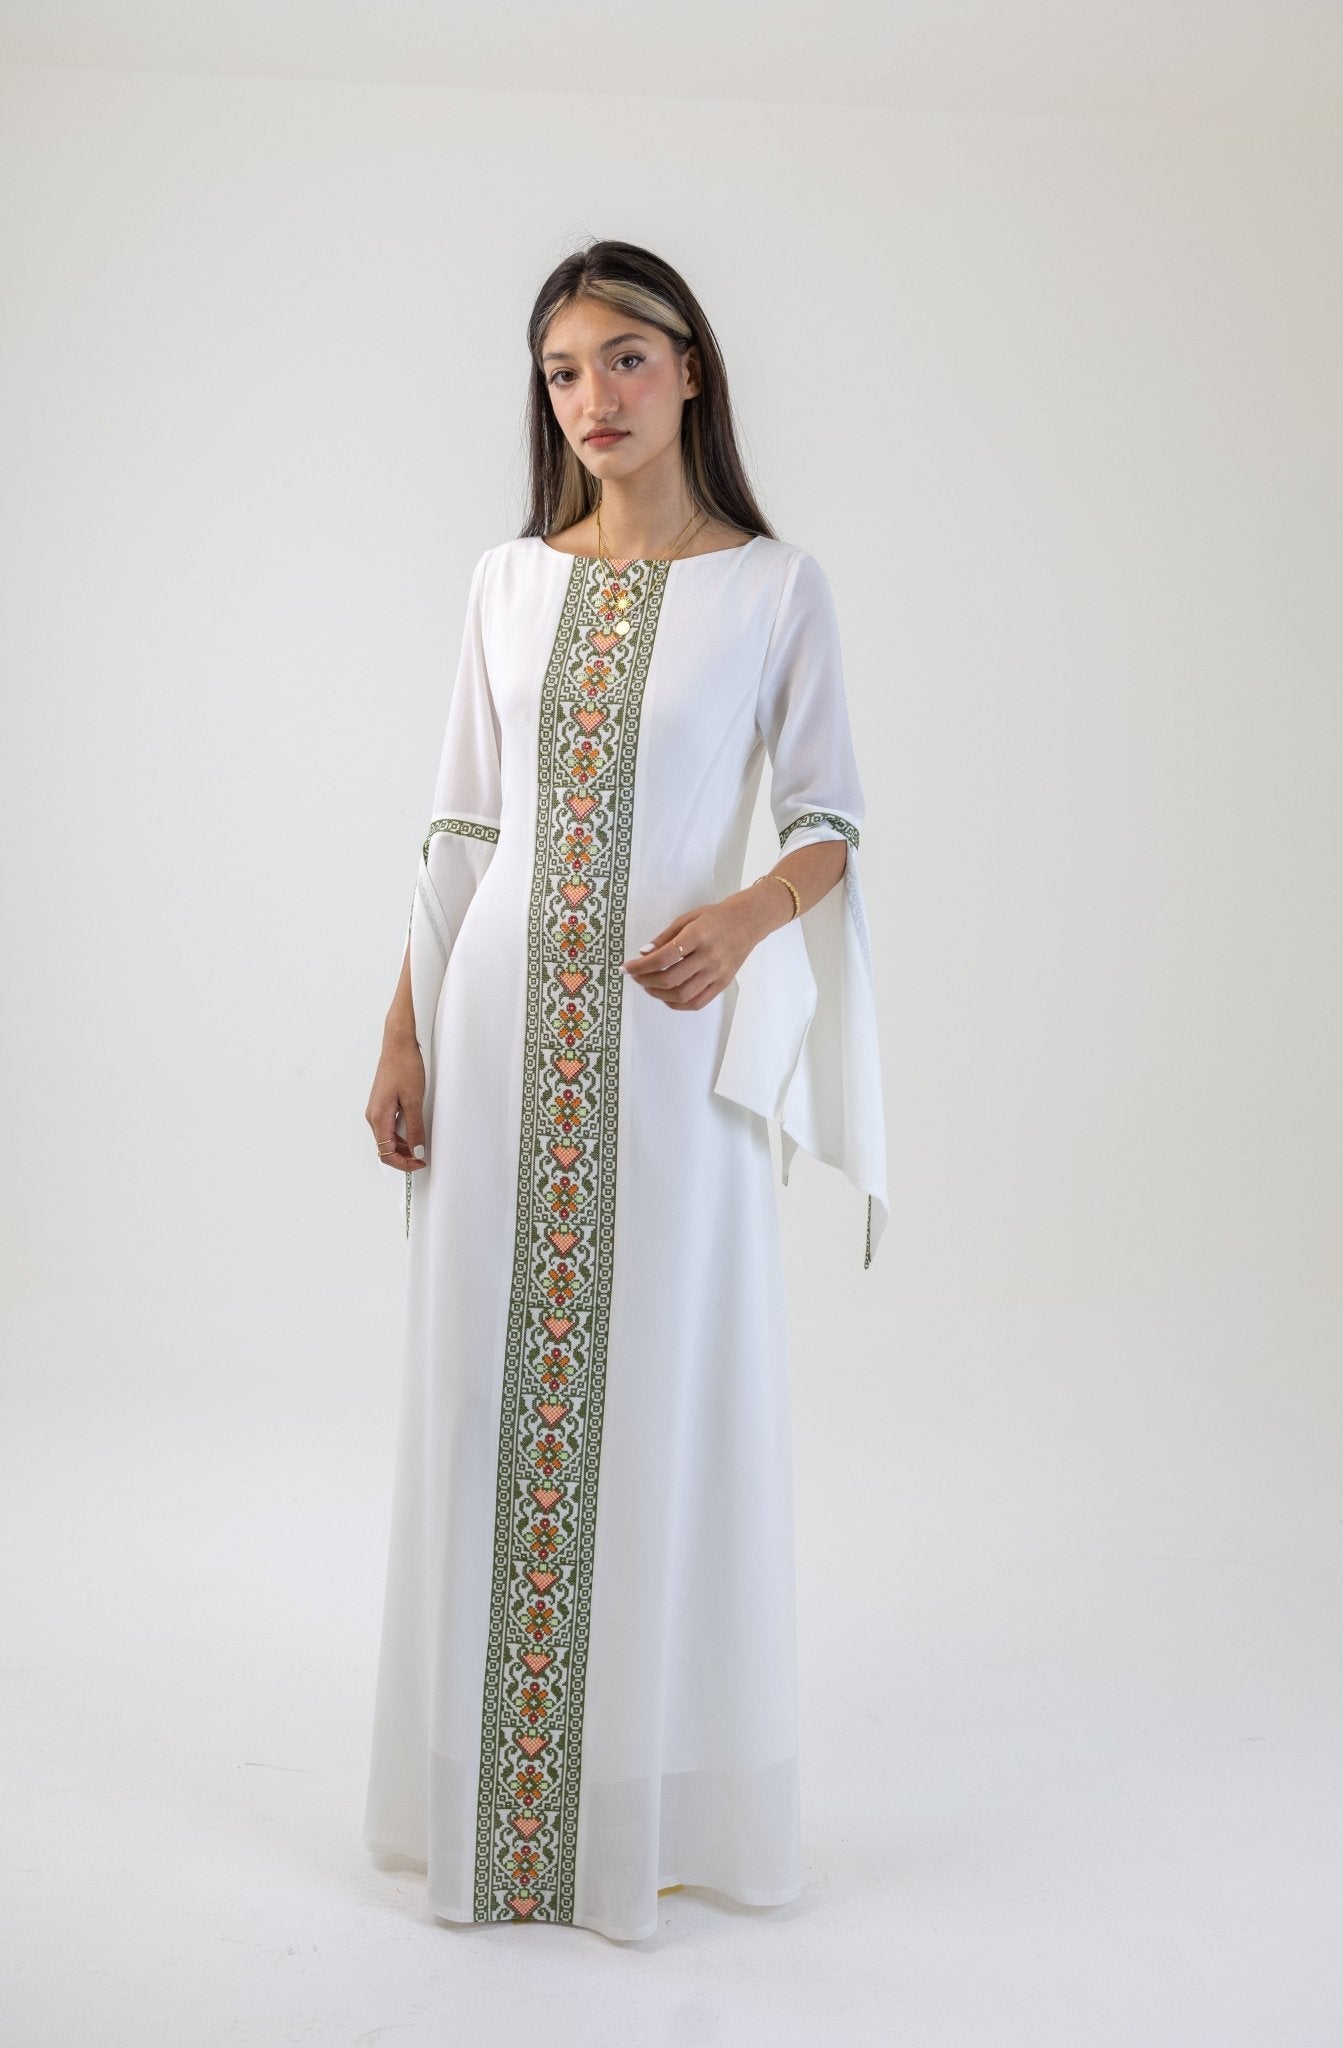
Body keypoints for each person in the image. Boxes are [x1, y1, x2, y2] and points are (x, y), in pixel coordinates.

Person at [361, 238, 889, 1944]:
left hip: (670, 1042)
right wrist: (402, 1031)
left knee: (663, 1385)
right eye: (561, 371)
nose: (591, 396)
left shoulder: (773, 588)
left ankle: (641, 1805)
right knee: (485, 1397)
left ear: (690, 369)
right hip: (496, 1027)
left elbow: (827, 817)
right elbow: (460, 827)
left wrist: (745, 916)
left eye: (624, 359)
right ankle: (494, 1805)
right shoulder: (506, 582)